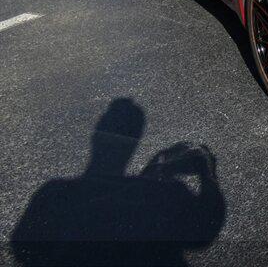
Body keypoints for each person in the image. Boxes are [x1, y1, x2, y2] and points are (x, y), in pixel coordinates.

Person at [11, 98, 225, 266]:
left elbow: (23, 249)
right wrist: (207, 172)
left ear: (95, 138)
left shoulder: (53, 191)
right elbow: (204, 233)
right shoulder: (170, 191)